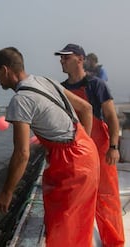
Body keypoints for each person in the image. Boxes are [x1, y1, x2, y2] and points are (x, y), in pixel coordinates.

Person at [0, 47, 100, 247]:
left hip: (72, 164)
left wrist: (7, 192)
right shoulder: (46, 80)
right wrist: (82, 144)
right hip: (87, 151)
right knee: (79, 228)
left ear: (5, 70)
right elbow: (86, 108)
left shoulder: (20, 100)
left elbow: (22, 153)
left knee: (62, 230)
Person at [55, 43, 124, 247]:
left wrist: (113, 147)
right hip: (76, 151)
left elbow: (111, 118)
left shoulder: (96, 85)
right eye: (61, 58)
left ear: (80, 59)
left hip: (101, 148)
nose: (62, 60)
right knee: (76, 200)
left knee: (107, 198)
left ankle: (114, 242)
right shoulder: (61, 89)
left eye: (66, 57)